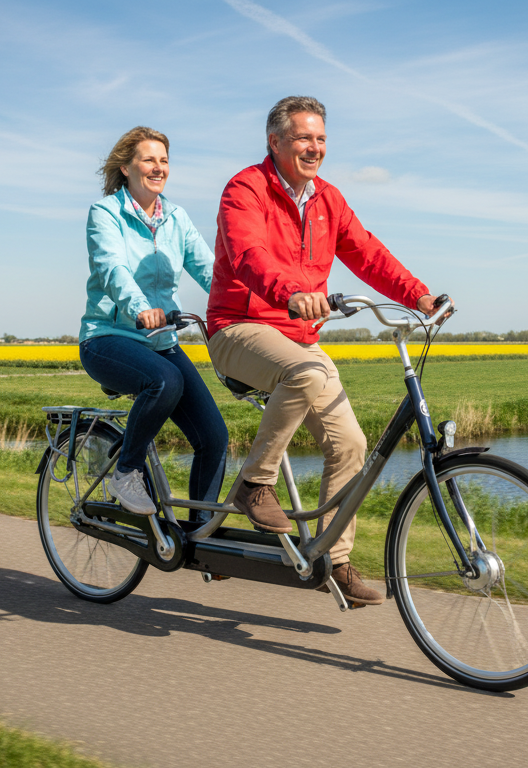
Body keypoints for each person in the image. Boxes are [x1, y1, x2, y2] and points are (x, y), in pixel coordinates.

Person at [207, 96, 445, 605]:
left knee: (352, 446)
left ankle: (333, 560)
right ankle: (255, 484)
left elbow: (368, 253)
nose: (314, 148)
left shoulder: (328, 200)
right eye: (303, 138)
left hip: (298, 339)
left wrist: (419, 295)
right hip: (239, 328)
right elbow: (247, 254)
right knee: (308, 373)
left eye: (320, 139)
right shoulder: (244, 189)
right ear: (275, 142)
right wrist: (291, 291)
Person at [78, 127, 228, 515]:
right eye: (149, 160)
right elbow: (112, 269)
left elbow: (212, 272)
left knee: (214, 437)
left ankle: (201, 532)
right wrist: (140, 307)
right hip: (109, 337)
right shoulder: (105, 213)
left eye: (164, 160)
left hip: (161, 341)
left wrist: (253, 304)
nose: (158, 167)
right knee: (164, 381)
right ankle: (126, 471)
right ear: (126, 167)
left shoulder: (177, 218)